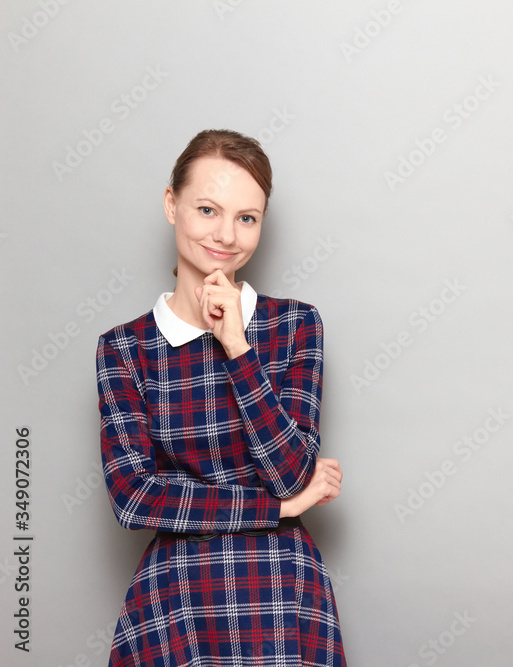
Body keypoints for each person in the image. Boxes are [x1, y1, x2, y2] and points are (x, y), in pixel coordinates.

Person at [95, 129, 346, 666]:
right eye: (208, 210)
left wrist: (236, 345)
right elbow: (134, 499)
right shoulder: (125, 348)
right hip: (176, 599)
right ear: (172, 204)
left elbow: (291, 474)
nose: (227, 235)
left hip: (282, 593)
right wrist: (277, 508)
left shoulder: (295, 325)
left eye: (247, 218)